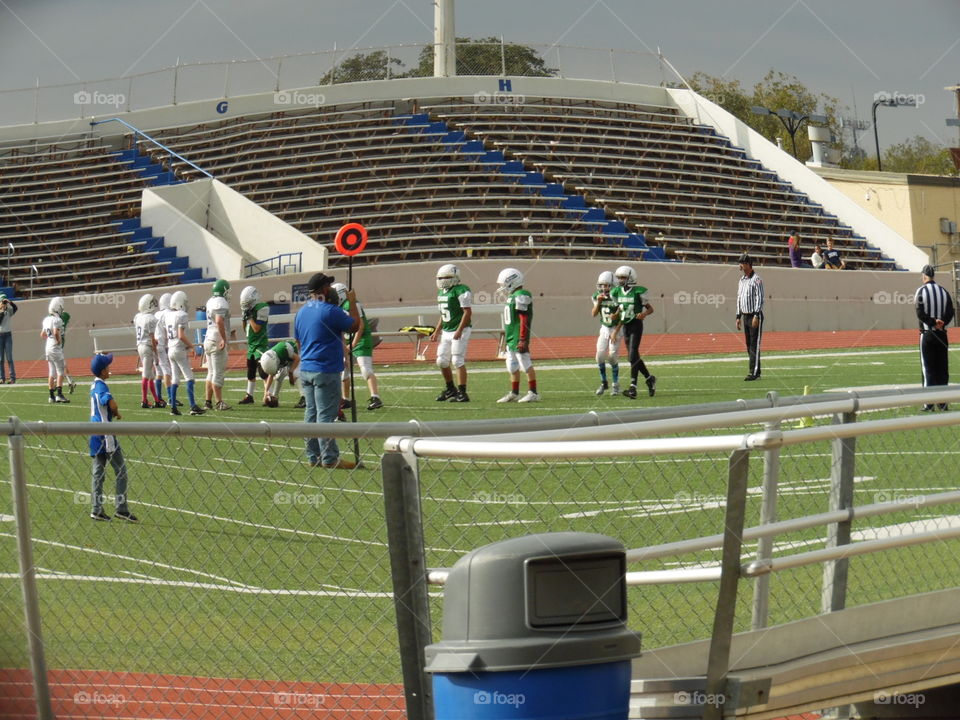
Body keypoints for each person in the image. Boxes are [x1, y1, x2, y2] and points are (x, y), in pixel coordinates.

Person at [294, 272, 360, 469]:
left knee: (311, 413)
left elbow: (298, 340)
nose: (331, 288)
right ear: (323, 289)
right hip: (326, 369)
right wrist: (353, 302)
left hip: (306, 368)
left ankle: (313, 456)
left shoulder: (302, 312)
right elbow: (355, 326)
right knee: (325, 415)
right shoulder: (331, 310)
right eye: (329, 285)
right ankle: (330, 458)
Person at [89, 353, 138, 522]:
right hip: (106, 434)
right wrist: (116, 412)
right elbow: (109, 402)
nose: (110, 369)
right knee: (121, 471)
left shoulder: (93, 385)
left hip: (95, 433)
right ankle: (121, 508)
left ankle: (96, 508)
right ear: (103, 371)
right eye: (108, 367)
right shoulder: (102, 387)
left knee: (98, 473)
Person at [332, 282, 383, 411]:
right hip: (349, 341)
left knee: (365, 369)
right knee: (343, 370)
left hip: (361, 340)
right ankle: (346, 399)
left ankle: (375, 397)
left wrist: (353, 344)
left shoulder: (352, 304)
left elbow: (361, 326)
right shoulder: (338, 308)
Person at [611, 265, 656, 399]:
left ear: (630, 278)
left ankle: (633, 388)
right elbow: (621, 310)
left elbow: (650, 309)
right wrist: (616, 322)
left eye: (623, 277)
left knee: (632, 356)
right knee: (634, 357)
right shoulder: (617, 292)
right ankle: (649, 378)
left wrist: (644, 314)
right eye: (618, 277)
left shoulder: (638, 292)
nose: (620, 280)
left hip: (636, 325)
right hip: (626, 326)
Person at [496, 268, 539, 403]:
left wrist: (522, 338)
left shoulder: (522, 294)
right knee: (512, 366)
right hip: (510, 337)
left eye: (503, 284)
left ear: (511, 281)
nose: (501, 287)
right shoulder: (512, 296)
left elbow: (523, 318)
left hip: (518, 337)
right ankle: (515, 392)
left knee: (525, 365)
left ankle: (533, 392)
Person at [915, 264, 955, 412]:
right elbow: (951, 311)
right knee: (942, 368)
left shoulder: (921, 291)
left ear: (924, 276)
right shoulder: (943, 291)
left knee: (928, 368)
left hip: (927, 334)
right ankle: (943, 402)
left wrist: (933, 322)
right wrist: (942, 322)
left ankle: (928, 403)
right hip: (942, 334)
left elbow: (920, 313)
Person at [431, 263, 472, 403]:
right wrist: (437, 331)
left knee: (457, 360)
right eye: (440, 277)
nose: (442, 280)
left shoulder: (461, 290)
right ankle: (450, 389)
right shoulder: (441, 292)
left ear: (454, 277)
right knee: (441, 361)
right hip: (447, 331)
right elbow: (443, 314)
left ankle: (462, 392)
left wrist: (460, 330)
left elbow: (467, 312)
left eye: (446, 277)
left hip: (460, 329)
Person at [165, 290, 205, 416]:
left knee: (175, 379)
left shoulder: (169, 315)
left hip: (170, 349)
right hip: (178, 349)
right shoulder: (181, 315)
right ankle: (193, 406)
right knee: (189, 378)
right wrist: (191, 346)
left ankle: (173, 408)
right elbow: (181, 335)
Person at [203, 279, 232, 411]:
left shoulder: (210, 301)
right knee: (218, 373)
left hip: (208, 339)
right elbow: (219, 321)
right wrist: (224, 339)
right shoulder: (221, 302)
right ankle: (219, 402)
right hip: (216, 340)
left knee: (211, 372)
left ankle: (208, 401)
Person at [239, 285, 270, 406]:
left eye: (248, 303)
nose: (246, 306)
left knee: (263, 372)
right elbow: (245, 329)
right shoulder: (250, 310)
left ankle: (269, 395)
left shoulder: (262, 308)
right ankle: (249, 395)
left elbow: (257, 328)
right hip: (252, 346)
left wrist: (250, 317)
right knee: (250, 372)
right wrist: (244, 319)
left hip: (260, 345)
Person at [591, 270, 621, 395]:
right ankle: (604, 383)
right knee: (599, 356)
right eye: (602, 285)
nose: (604, 288)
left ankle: (615, 384)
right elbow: (593, 314)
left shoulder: (618, 295)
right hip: (604, 327)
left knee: (612, 357)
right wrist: (598, 301)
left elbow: (623, 315)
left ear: (613, 285)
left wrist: (615, 332)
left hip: (616, 328)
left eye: (607, 285)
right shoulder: (596, 296)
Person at [735, 253, 764, 381]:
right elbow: (739, 298)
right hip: (745, 315)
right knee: (748, 344)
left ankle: (754, 371)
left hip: (754, 315)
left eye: (742, 263)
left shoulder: (756, 279)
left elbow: (760, 298)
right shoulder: (742, 280)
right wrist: (738, 315)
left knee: (754, 344)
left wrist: (756, 315)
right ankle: (755, 369)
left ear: (747, 264)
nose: (740, 266)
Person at [134, 294, 162, 408]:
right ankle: (144, 400)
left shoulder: (138, 317)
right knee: (146, 374)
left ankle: (156, 400)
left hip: (140, 346)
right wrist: (156, 355)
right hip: (147, 347)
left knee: (150, 375)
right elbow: (151, 338)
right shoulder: (151, 318)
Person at [41, 296, 69, 403]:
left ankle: (51, 396)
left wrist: (50, 337)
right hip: (55, 348)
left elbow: (42, 334)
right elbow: (56, 332)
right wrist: (57, 340)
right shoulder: (57, 319)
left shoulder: (46, 319)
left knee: (51, 372)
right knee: (60, 371)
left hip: (47, 347)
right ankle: (59, 395)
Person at [259, 339, 301, 407]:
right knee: (279, 377)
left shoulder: (283, 350)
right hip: (287, 359)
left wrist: (291, 372)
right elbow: (271, 375)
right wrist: (266, 392)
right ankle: (275, 396)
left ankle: (304, 397)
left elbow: (297, 359)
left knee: (296, 375)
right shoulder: (273, 358)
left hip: (297, 356)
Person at [151, 292, 171, 408]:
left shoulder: (156, 314)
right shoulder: (168, 314)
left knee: (158, 372)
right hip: (161, 345)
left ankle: (158, 397)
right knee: (167, 371)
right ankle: (170, 398)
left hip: (154, 343)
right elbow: (167, 330)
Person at [0, 293, 18, 383]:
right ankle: (1, 378)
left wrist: (9, 302)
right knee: (0, 359)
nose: (3, 303)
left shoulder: (9, 311)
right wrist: (2, 311)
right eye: (2, 301)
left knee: (9, 358)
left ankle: (12, 378)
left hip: (7, 335)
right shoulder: (1, 312)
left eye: (4, 301)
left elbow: (15, 308)